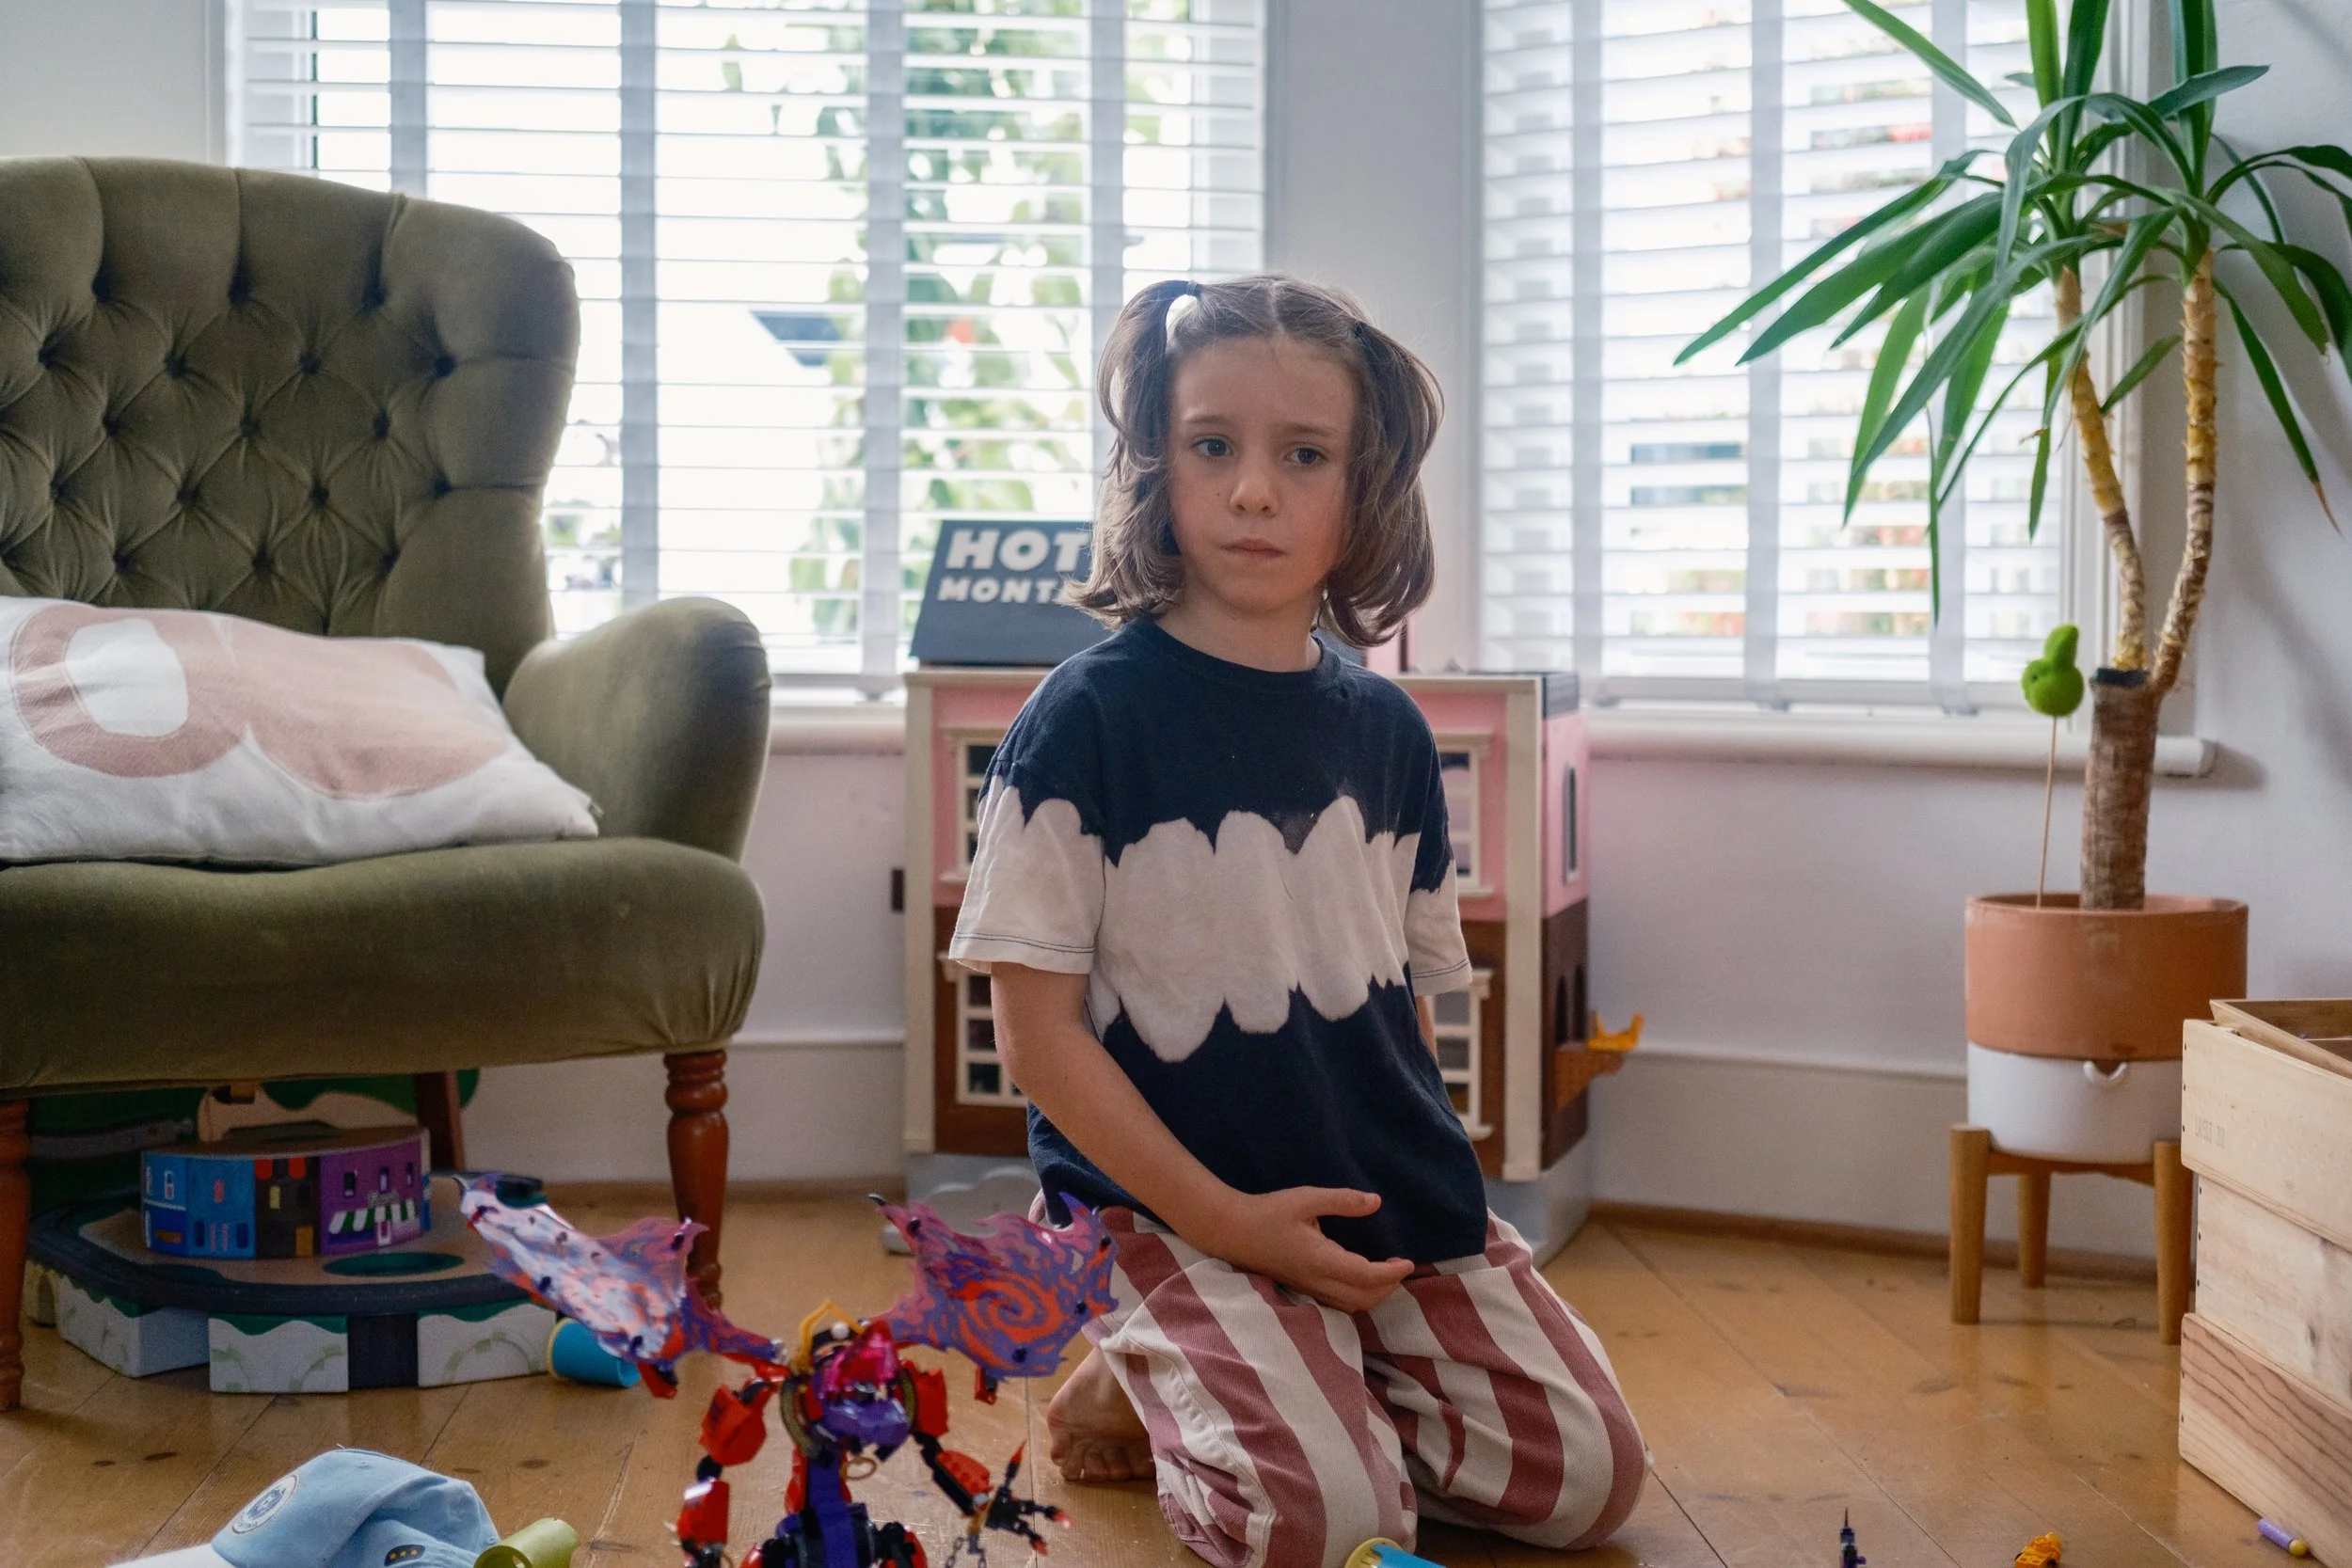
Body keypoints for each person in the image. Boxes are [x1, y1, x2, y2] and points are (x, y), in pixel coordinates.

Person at [948, 275, 1646, 1568]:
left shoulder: (1388, 730)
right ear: (1157, 465)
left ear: (1360, 491)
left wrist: (1431, 1225)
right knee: (1324, 1524)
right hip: (1168, 1205)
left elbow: (1405, 1015)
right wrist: (1221, 1219)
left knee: (1587, 1482)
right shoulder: (1082, 722)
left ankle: (1306, 1369)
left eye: (1302, 454)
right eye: (1214, 445)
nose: (1255, 489)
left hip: (1377, 1196)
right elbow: (1041, 1044)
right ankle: (1159, 1361)